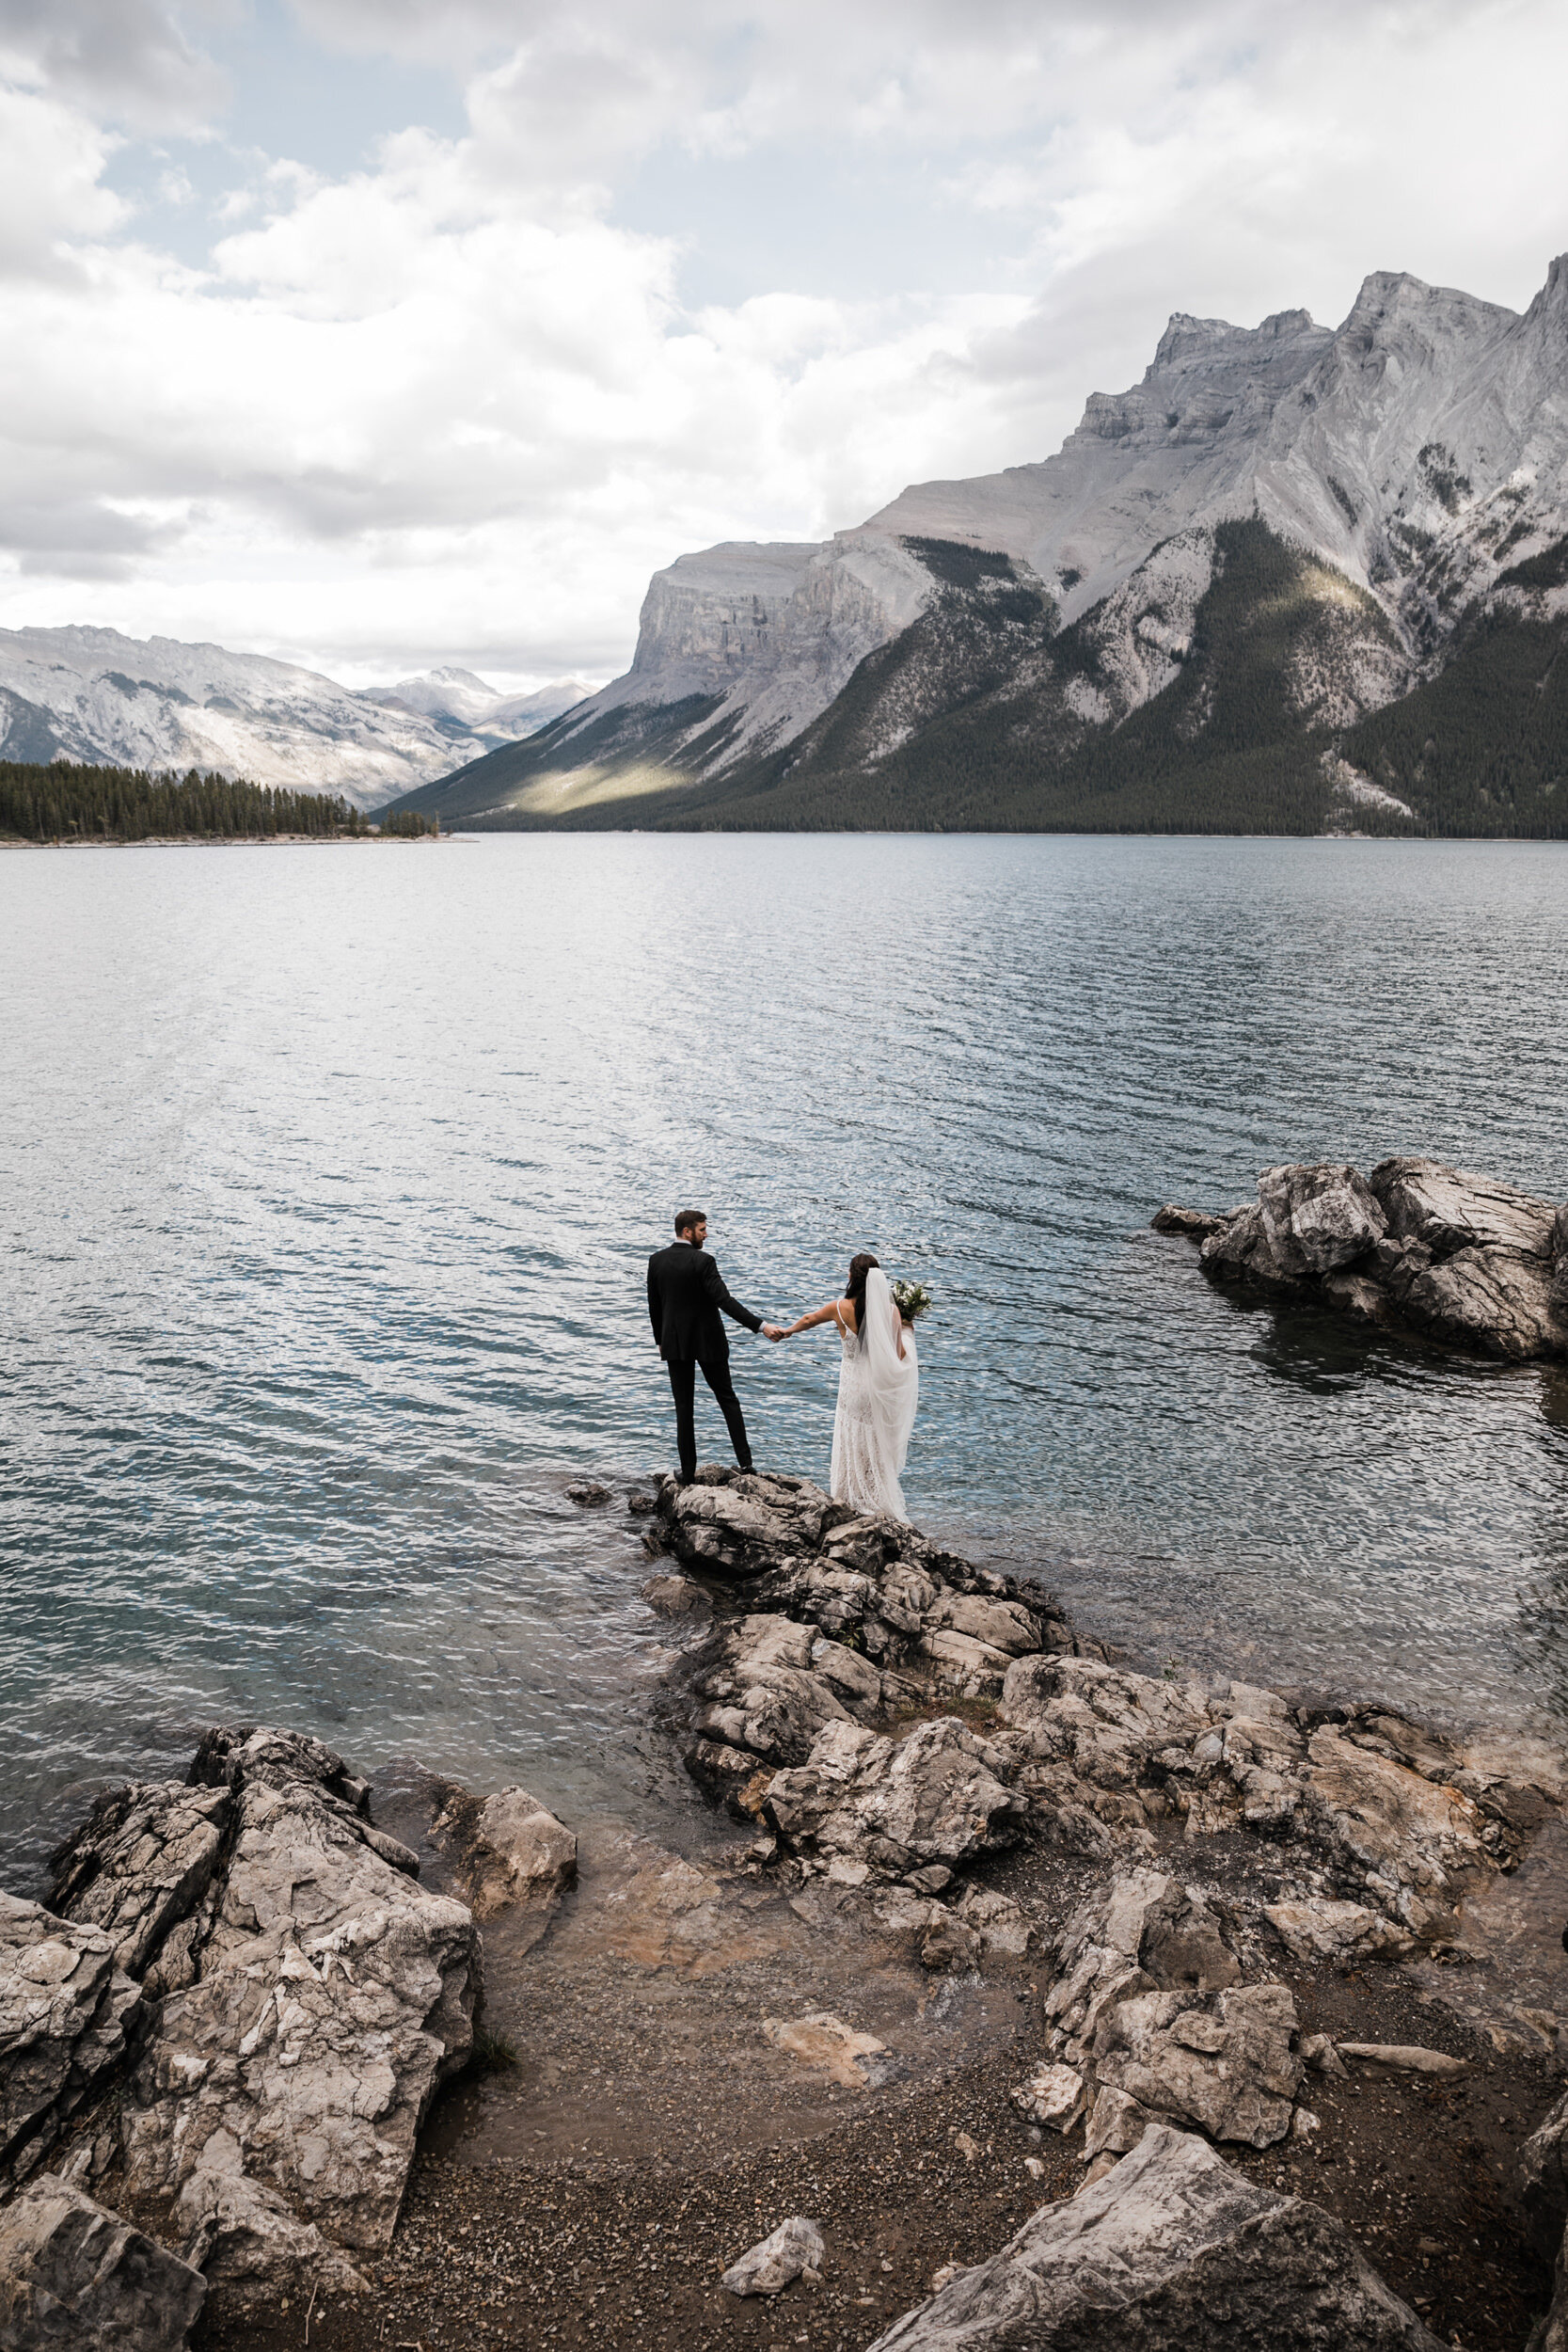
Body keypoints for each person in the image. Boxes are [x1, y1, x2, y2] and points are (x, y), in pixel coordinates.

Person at [776, 1252, 918, 1518]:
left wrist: (787, 1331)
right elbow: (899, 1355)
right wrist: (909, 1331)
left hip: (851, 1387)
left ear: (852, 1277)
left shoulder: (840, 1308)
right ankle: (875, 1497)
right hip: (875, 1386)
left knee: (849, 1434)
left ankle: (847, 1495)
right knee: (873, 1441)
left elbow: (809, 1318)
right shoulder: (891, 1312)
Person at [647, 1209, 783, 1484]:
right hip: (709, 1342)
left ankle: (687, 1473)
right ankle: (746, 1466)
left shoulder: (656, 1260)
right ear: (687, 1231)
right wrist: (760, 1325)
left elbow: (655, 1305)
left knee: (684, 1408)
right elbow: (725, 1301)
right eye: (702, 1229)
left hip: (675, 1343)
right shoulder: (704, 1261)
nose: (706, 1234)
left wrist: (660, 1341)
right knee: (728, 1400)